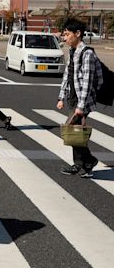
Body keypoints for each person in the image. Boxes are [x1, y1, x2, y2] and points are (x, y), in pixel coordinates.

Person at [57, 18, 102, 178]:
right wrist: (61, 97)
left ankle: (88, 161)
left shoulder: (87, 53)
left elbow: (88, 82)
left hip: (82, 100)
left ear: (78, 34)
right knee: (74, 132)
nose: (65, 37)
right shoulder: (73, 52)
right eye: (64, 34)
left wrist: (81, 106)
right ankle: (80, 164)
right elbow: (67, 75)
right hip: (72, 97)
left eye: (67, 34)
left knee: (71, 131)